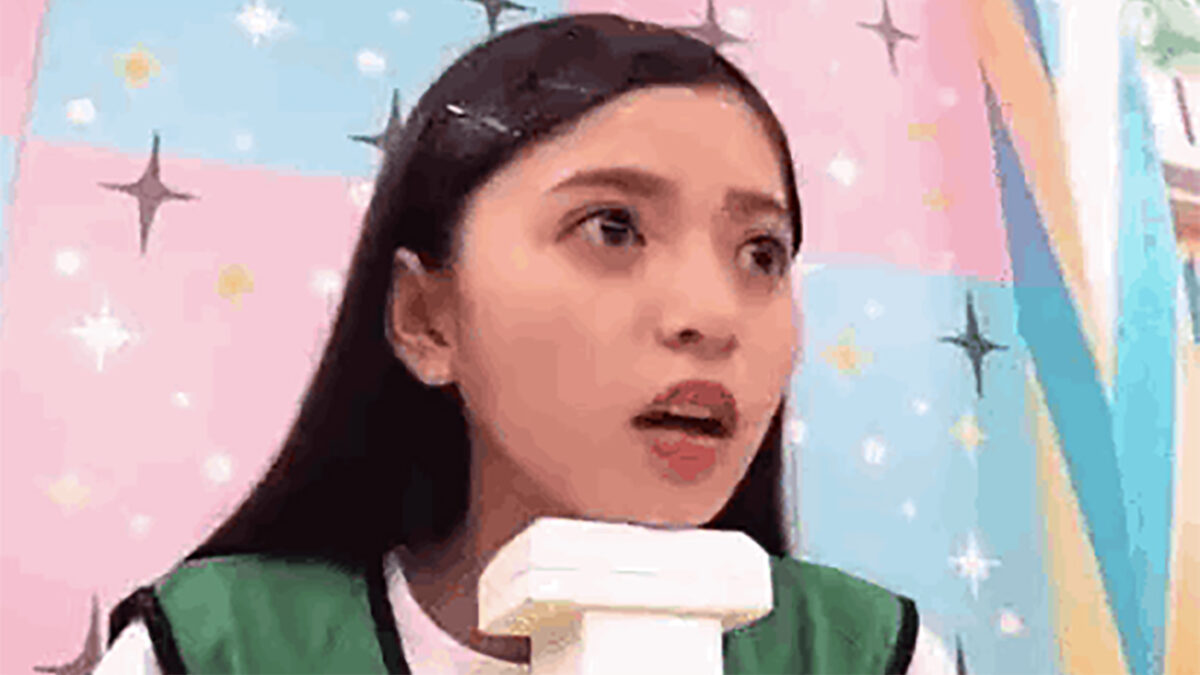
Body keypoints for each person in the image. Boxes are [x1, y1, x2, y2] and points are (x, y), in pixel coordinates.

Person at [95, 12, 956, 674]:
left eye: (762, 253)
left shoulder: (869, 654)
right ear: (426, 316)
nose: (711, 313)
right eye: (612, 227)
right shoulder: (219, 648)